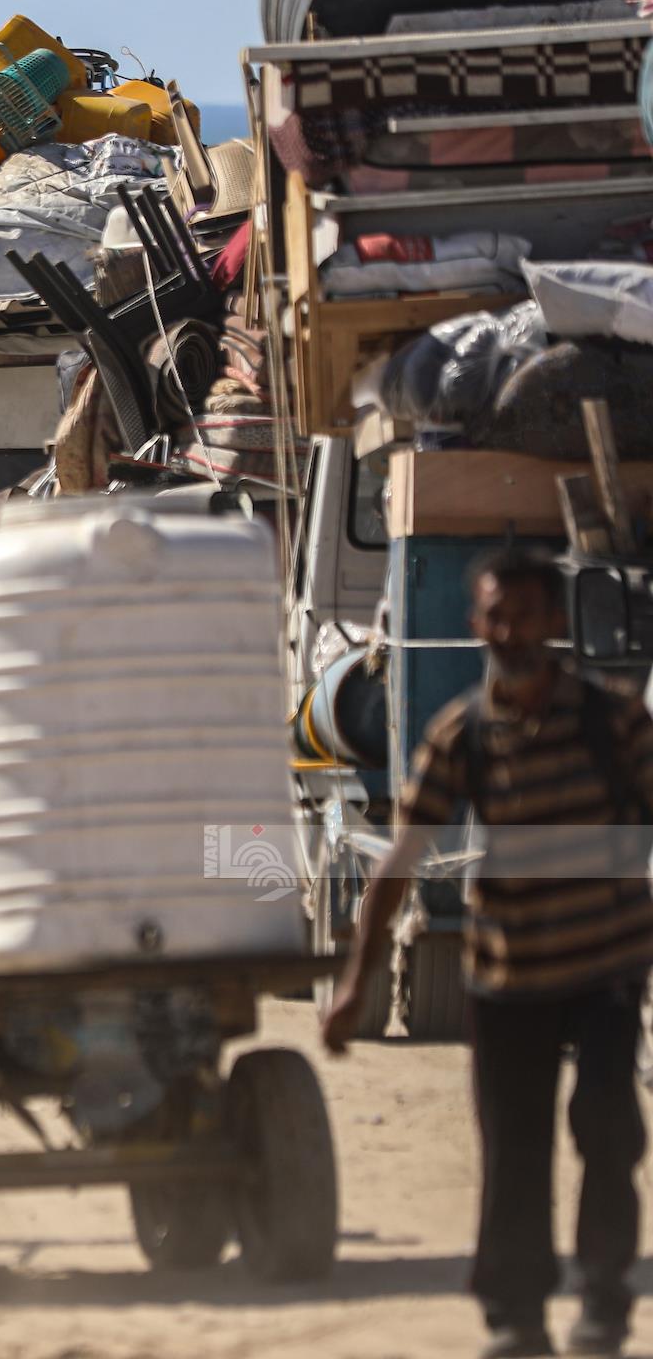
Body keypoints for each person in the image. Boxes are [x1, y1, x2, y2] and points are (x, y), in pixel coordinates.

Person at [323, 551, 653, 1359]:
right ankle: (517, 1319)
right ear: (476, 625)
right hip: (508, 979)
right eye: (495, 616)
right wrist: (355, 984)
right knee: (514, 1151)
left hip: (606, 970)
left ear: (554, 624)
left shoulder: (613, 724)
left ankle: (604, 1303)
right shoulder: (461, 733)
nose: (509, 631)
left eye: (525, 615)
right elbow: (400, 863)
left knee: (609, 1134)